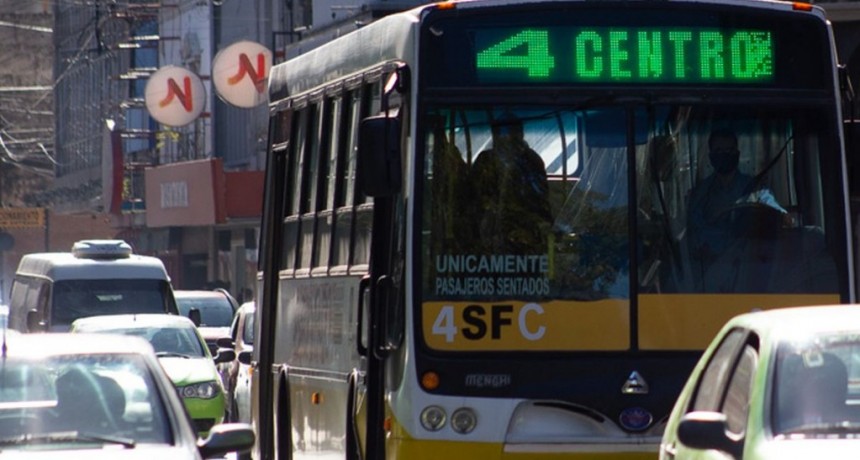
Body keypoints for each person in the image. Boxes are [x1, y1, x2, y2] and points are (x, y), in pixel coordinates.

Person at [470, 112, 552, 254]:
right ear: (495, 136)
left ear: (520, 135)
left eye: (513, 134)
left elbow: (540, 198)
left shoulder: (531, 161)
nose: (508, 139)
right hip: (489, 235)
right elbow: (473, 197)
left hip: (525, 235)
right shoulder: (485, 161)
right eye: (503, 135)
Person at [686, 128, 753, 266]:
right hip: (711, 272)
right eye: (719, 151)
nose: (724, 155)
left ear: (737, 154)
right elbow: (694, 235)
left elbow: (768, 226)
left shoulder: (755, 189)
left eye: (729, 150)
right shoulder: (700, 193)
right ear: (711, 156)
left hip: (749, 268)